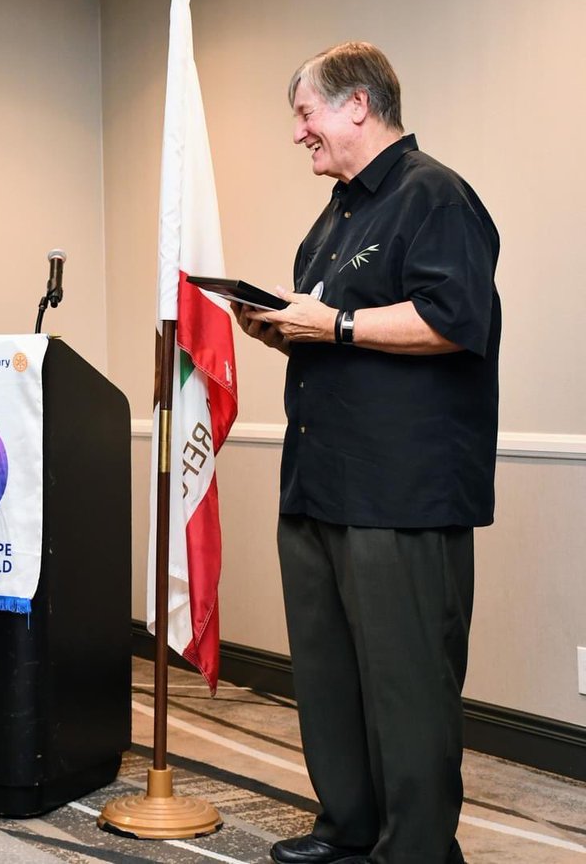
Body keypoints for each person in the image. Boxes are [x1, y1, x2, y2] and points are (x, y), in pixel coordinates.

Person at [234, 43, 500, 864]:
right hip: (320, 485)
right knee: (330, 678)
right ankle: (347, 830)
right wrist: (283, 329)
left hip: (401, 494)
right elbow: (339, 340)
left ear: (357, 106)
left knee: (405, 688)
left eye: (305, 113)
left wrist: (337, 324)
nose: (298, 134)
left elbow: (455, 320)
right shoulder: (334, 216)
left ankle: (415, 850)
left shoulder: (436, 197)